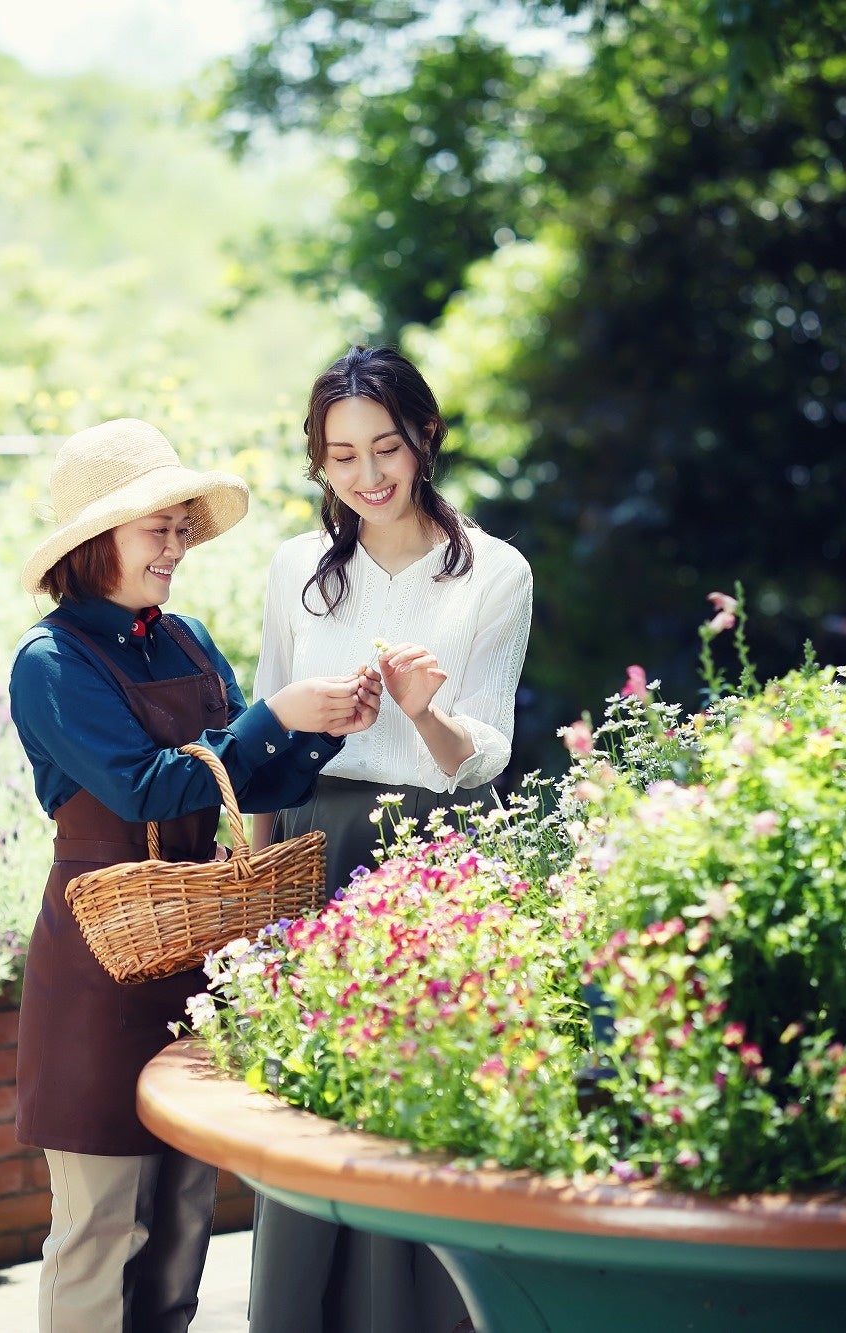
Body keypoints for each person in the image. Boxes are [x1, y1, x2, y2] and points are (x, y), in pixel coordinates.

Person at [9, 417, 381, 1333]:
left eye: (182, 528)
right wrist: (272, 712)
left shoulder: (185, 638)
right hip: (99, 961)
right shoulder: (49, 661)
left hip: (196, 948)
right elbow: (145, 787)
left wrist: (324, 725)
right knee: (100, 1226)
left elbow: (250, 773)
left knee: (181, 1219)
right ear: (97, 541)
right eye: (158, 529)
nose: (177, 547)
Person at [247, 347, 534, 1333]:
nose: (367, 475)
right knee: (306, 1096)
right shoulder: (296, 568)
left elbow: (482, 751)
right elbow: (258, 733)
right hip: (311, 845)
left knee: (414, 1099)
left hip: (429, 855)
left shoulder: (493, 572)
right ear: (318, 464)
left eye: (385, 447)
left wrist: (423, 713)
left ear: (426, 439)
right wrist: (254, 881)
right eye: (340, 457)